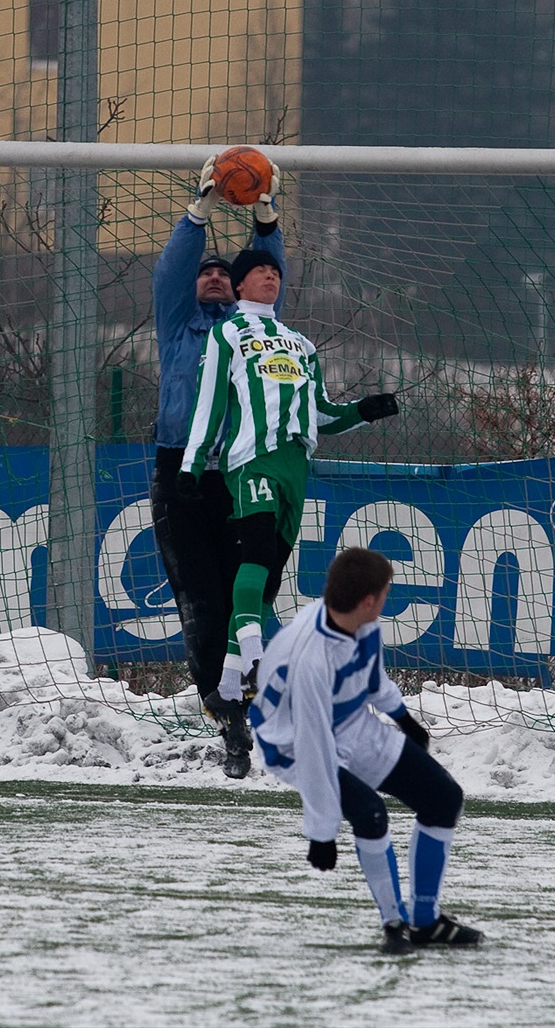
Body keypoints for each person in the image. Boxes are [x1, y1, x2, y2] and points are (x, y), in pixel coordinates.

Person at [177, 252, 398, 776]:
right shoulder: (228, 334)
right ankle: (256, 651)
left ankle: (233, 690)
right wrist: (191, 466)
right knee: (253, 550)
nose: (271, 275)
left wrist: (362, 412)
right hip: (249, 458)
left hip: (296, 466)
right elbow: (209, 403)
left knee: (269, 574)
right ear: (238, 283)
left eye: (276, 271)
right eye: (260, 270)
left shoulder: (301, 344)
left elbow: (321, 412)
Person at [249, 546, 485, 955]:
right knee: (370, 814)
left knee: (444, 798)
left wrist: (402, 717)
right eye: (387, 592)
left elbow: (369, 675)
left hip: (349, 723)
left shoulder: (362, 621)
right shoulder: (310, 660)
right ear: (369, 600)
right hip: (292, 743)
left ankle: (425, 922)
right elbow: (314, 745)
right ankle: (395, 925)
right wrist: (321, 832)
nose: (388, 598)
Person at [150, 153, 286, 778]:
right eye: (203, 273)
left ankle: (266, 702)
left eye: (221, 275)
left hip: (236, 472)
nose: (211, 278)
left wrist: (265, 219)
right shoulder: (178, 328)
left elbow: (268, 275)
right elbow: (171, 274)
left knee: (246, 596)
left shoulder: (249, 332)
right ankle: (226, 713)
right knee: (199, 598)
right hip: (179, 471)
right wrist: (198, 213)